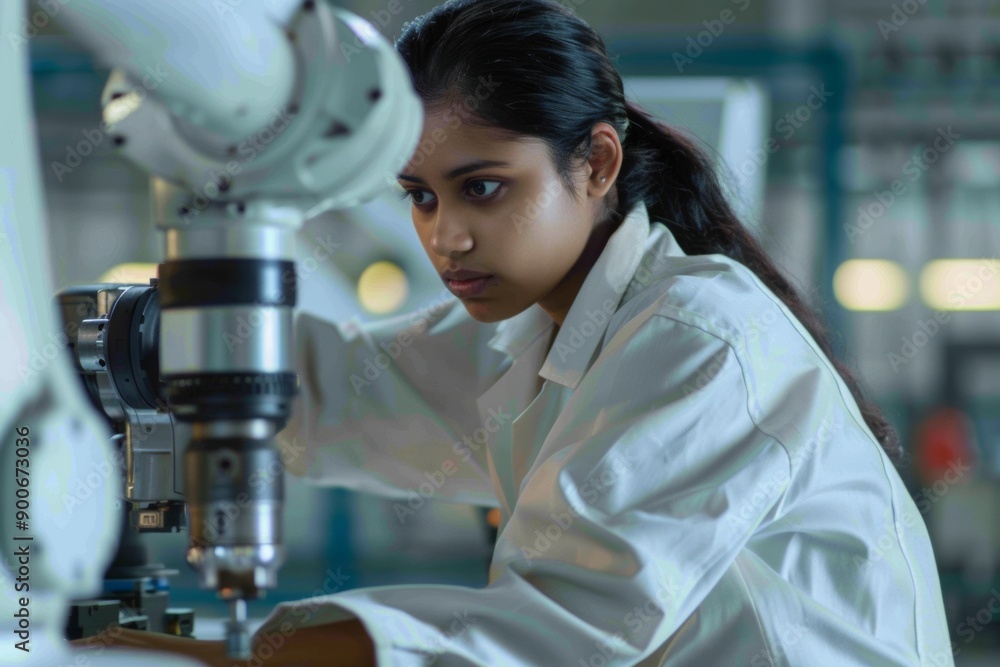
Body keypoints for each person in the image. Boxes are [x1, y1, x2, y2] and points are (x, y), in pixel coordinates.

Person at [77, 0, 954, 664]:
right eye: (419, 196)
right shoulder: (535, 333)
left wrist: (215, 653)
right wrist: (143, 344)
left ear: (597, 165)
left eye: (483, 187)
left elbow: (551, 635)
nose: (444, 235)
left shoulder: (698, 338)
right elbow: (341, 387)